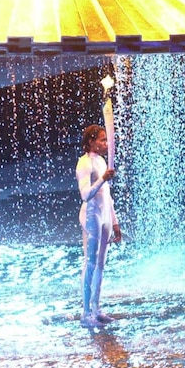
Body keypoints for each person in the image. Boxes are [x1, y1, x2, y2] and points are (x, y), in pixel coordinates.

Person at [76, 124, 122, 328]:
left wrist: (115, 221)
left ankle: (96, 308)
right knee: (91, 263)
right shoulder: (84, 163)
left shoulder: (102, 161)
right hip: (92, 216)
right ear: (91, 142)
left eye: (106, 139)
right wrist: (103, 179)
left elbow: (108, 195)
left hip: (104, 216)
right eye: (102, 140)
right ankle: (86, 312)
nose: (106, 143)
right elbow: (86, 194)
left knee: (101, 264)